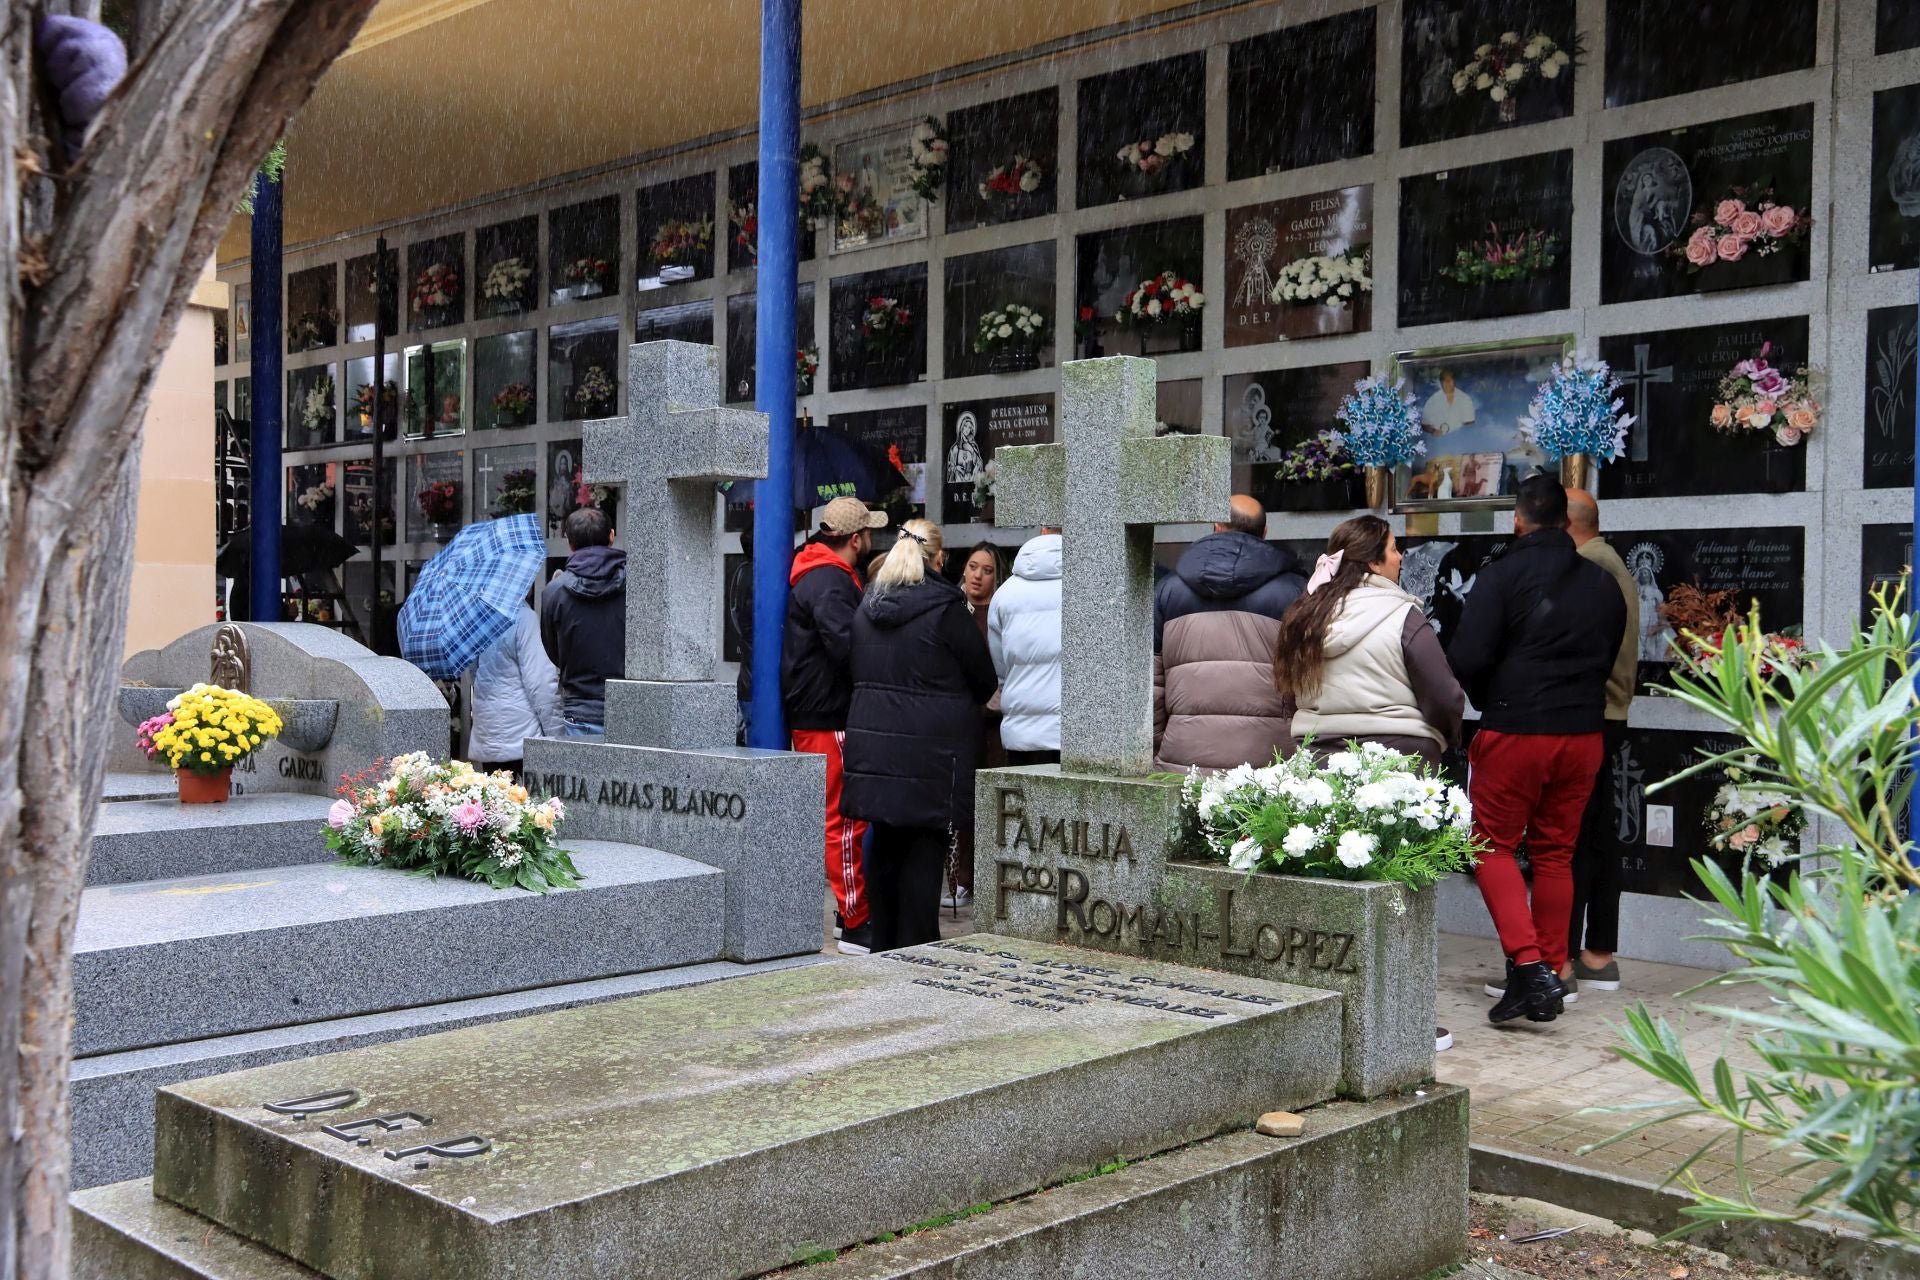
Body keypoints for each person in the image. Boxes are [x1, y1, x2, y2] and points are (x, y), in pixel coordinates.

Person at [1446, 475, 1627, 1026]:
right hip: (1583, 735)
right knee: (1555, 852)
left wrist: (1493, 699)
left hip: (1517, 730)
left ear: (1519, 519)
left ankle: (1528, 967)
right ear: (1565, 522)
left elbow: (1466, 657)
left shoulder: (1501, 576)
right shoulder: (1603, 584)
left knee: (1489, 845)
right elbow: (1608, 654)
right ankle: (1554, 969)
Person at [841, 520, 997, 951]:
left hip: (874, 753)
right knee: (922, 859)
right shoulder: (946, 609)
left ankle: (883, 950)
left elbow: (852, 669)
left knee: (885, 849)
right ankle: (916, 954)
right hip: (930, 759)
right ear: (939, 558)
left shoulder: (866, 604)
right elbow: (984, 680)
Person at [783, 496, 888, 955]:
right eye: (868, 533)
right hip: (829, 713)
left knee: (835, 821)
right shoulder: (830, 582)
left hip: (815, 711)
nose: (871, 539)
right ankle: (856, 921)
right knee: (843, 823)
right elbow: (847, 646)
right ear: (855, 538)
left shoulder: (816, 570)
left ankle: (852, 916)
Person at [1274, 515, 1464, 766]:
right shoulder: (1404, 616)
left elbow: (1289, 695)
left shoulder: (1305, 617)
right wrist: (1450, 737)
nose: (1400, 557)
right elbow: (1444, 697)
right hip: (1399, 758)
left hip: (1317, 757)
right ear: (1375, 562)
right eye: (1394, 549)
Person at [1152, 495, 1305, 772]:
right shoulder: (1294, 591)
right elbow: (1308, 681)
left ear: (1216, 527)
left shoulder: (1168, 590)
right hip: (1270, 765)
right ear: (1265, 533)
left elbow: (1152, 684)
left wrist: (1158, 745)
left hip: (1184, 761)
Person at [1564, 488, 1640, 994]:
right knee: (1597, 834)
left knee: (1577, 838)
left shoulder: (1593, 571)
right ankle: (1596, 953)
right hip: (1608, 714)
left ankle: (1568, 957)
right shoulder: (1608, 563)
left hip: (1592, 714)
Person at [947, 542, 1007, 910]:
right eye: (972, 567)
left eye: (986, 570)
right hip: (962, 720)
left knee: (992, 799)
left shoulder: (1001, 611)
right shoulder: (954, 612)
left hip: (998, 723)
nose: (977, 576)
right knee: (963, 801)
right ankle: (961, 878)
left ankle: (992, 875)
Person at [539, 507, 626, 738]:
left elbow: (553, 650)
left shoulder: (554, 592)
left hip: (580, 710)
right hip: (631, 708)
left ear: (570, 543)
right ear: (611, 536)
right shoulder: (635, 585)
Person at [989, 528, 1063, 765]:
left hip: (1020, 732)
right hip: (1074, 733)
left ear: (1042, 530)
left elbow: (1000, 668)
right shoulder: (1092, 588)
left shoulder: (1004, 594)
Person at [469, 603, 565, 776]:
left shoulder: (479, 620)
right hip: (521, 736)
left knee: (494, 799)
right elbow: (541, 683)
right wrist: (556, 736)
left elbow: (475, 674)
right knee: (526, 799)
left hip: (487, 734)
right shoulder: (524, 618)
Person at [1423, 369, 1476, 434]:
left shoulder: (1465, 399)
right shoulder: (1432, 401)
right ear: (1441, 382)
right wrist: (1433, 431)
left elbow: (1470, 423)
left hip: (1461, 437)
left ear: (1454, 381)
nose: (1447, 382)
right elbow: (1425, 425)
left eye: (1450, 380)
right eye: (1445, 380)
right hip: (1439, 439)